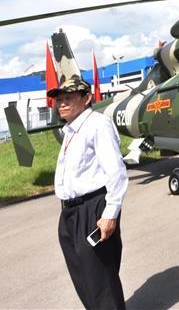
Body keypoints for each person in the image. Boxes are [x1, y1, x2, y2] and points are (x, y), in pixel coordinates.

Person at [51, 74, 128, 310]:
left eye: (68, 98)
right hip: (70, 212)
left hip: (92, 208)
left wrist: (110, 214)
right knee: (83, 278)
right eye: (59, 99)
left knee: (101, 280)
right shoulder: (71, 130)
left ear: (87, 98)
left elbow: (116, 172)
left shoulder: (97, 125)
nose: (62, 103)